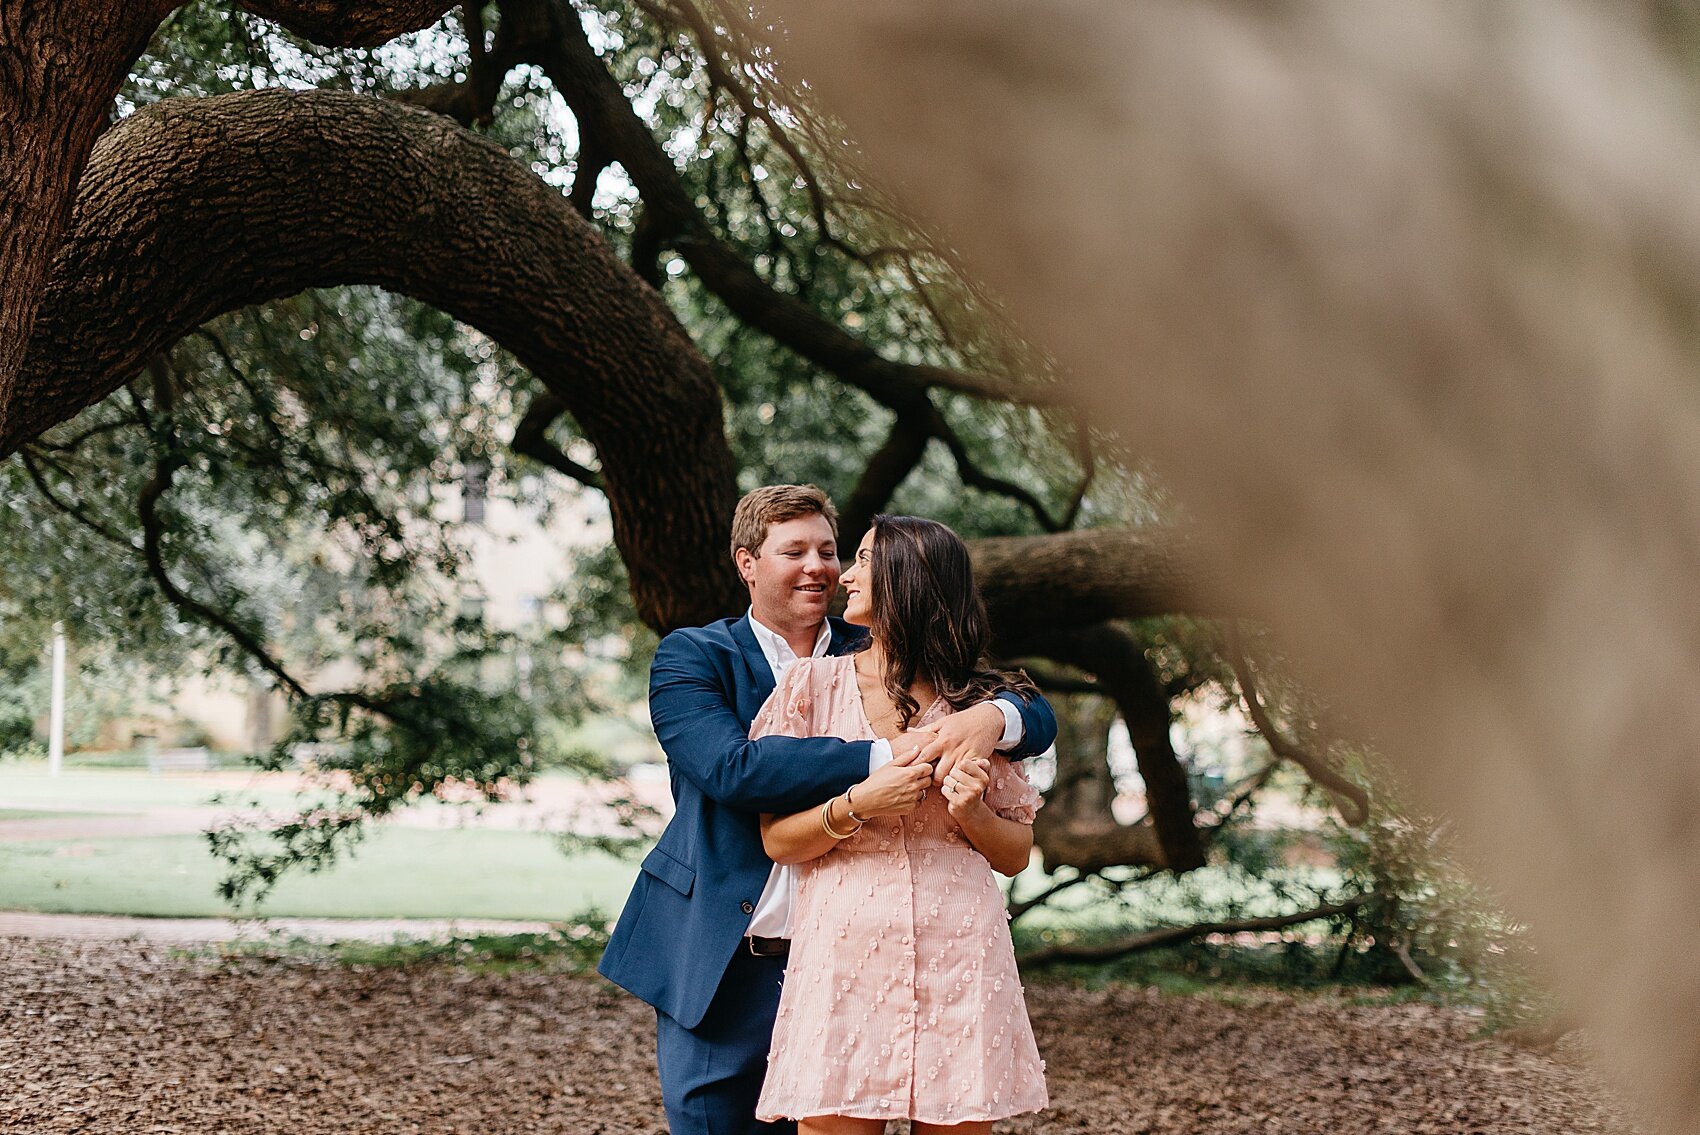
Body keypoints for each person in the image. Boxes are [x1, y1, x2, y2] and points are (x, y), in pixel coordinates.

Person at [597, 485, 1057, 1135]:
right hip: (731, 952)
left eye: (829, 549)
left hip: (871, 950)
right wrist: (886, 759)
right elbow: (735, 769)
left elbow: (1029, 712)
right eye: (794, 550)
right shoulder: (695, 656)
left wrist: (993, 716)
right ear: (747, 562)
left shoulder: (875, 648)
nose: (821, 566)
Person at [751, 515, 1048, 1133]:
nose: (847, 575)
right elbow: (777, 839)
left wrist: (971, 813)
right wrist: (859, 803)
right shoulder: (810, 687)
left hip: (962, 952)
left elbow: (1016, 853)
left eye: (863, 559)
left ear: (908, 582)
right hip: (844, 952)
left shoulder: (979, 705)